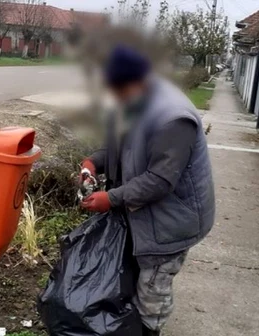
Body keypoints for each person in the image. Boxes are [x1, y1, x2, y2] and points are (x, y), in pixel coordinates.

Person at [79, 45, 216, 336]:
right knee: (132, 273)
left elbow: (159, 180)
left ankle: (148, 330)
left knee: (152, 289)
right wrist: (94, 162)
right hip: (143, 211)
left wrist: (111, 198)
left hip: (172, 221)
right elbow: (119, 146)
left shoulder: (173, 118)